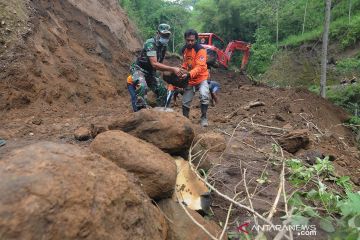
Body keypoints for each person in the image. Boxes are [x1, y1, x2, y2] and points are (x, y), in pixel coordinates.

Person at [128, 23, 181, 112]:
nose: (165, 37)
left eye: (167, 35)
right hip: (139, 69)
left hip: (150, 72)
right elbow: (155, 64)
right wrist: (172, 69)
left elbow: (159, 64)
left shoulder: (163, 46)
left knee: (163, 91)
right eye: (163, 35)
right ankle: (140, 111)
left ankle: (158, 110)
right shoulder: (150, 44)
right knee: (142, 87)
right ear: (158, 33)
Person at [179, 29, 210, 127]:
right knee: (185, 101)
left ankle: (204, 117)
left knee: (204, 95)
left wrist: (188, 74)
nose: (190, 42)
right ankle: (185, 120)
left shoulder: (200, 50)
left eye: (192, 40)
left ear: (196, 40)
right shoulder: (184, 49)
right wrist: (182, 70)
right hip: (190, 78)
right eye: (188, 40)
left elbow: (200, 67)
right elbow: (185, 62)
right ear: (185, 39)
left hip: (201, 77)